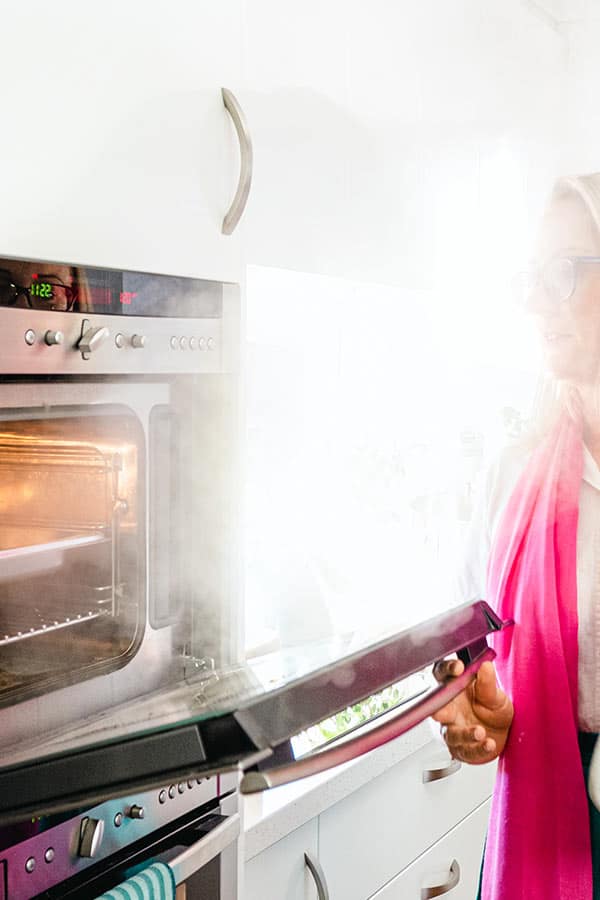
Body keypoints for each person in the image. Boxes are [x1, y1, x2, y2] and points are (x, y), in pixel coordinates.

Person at [432, 173, 600, 900]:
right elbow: (470, 645)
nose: (536, 300)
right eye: (531, 276)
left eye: (564, 271)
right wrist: (472, 705)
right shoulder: (513, 475)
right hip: (546, 823)